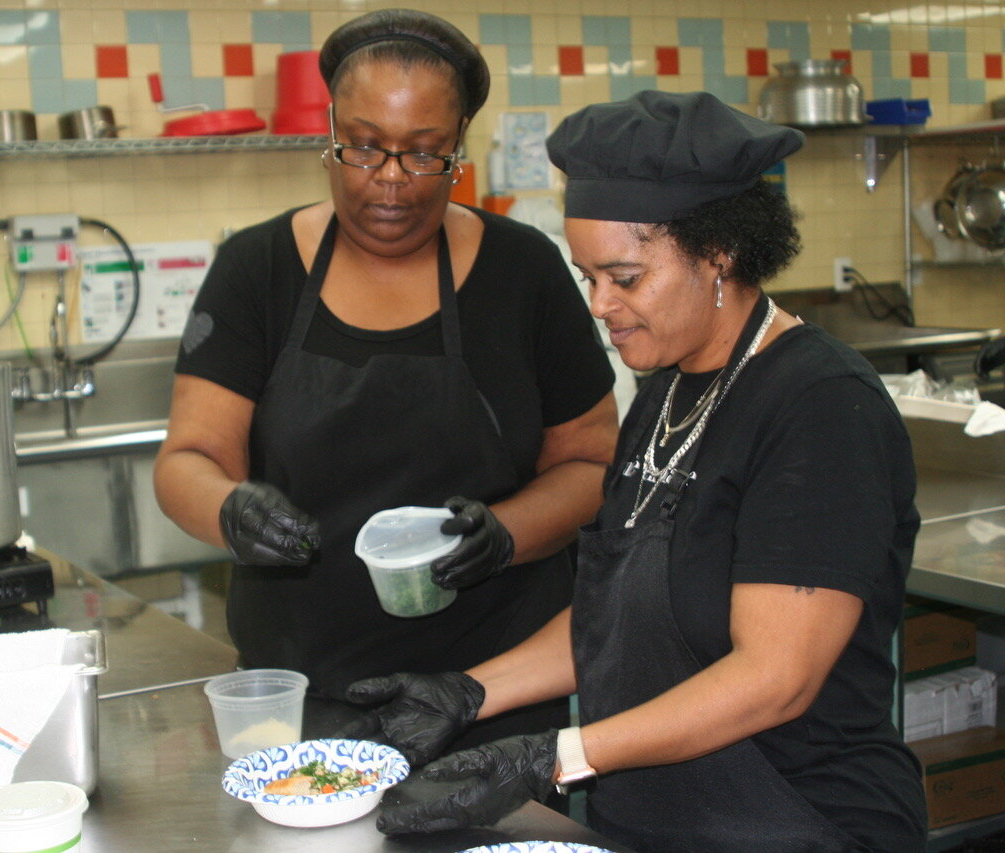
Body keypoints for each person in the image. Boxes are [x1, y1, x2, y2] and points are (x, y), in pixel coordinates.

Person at [353, 90, 927, 852]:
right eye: (588, 275)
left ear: (718, 252)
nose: (599, 304)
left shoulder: (820, 408)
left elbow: (775, 676)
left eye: (624, 277)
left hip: (797, 822)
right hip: (655, 822)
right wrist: (469, 691)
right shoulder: (662, 393)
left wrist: (556, 754)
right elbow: (614, 619)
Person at [152, 7, 619, 751]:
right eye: (365, 149)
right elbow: (186, 462)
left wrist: (505, 535)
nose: (392, 182)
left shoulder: (524, 271)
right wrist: (230, 510)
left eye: (424, 152)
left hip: (489, 697)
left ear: (459, 149)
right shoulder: (258, 269)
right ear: (329, 140)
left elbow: (593, 464)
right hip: (298, 698)